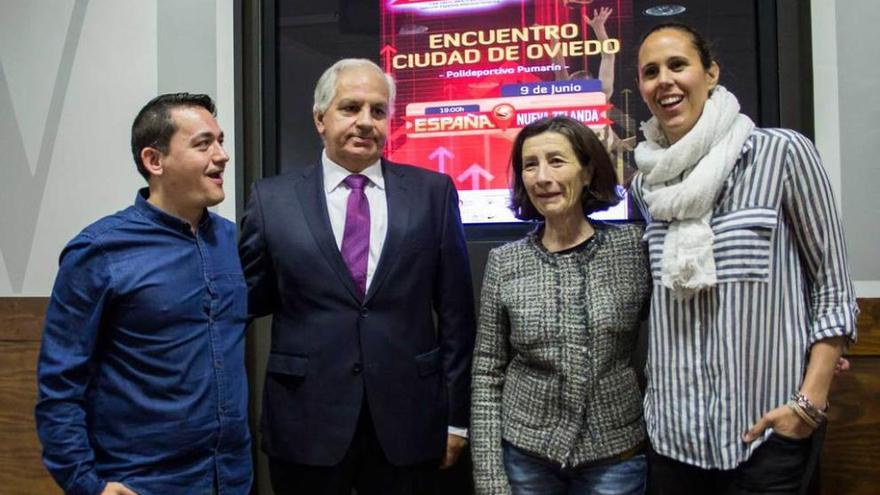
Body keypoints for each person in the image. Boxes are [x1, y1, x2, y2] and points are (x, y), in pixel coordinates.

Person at [631, 22, 859, 494]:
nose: (664, 81)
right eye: (650, 72)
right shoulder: (646, 184)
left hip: (768, 436)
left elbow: (833, 288)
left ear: (711, 73)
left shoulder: (782, 154)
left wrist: (808, 405)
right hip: (674, 439)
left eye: (678, 65)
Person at [238, 58, 476, 495]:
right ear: (319, 118)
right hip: (305, 421)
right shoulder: (272, 200)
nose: (366, 122)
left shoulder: (432, 194)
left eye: (378, 111)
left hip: (409, 422)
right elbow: (245, 304)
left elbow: (459, 319)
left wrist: (456, 418)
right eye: (350, 108)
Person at [35, 93, 252, 495]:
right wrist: (86, 484)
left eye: (220, 141)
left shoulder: (229, 240)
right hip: (144, 483)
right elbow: (59, 385)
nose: (222, 155)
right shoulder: (99, 251)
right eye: (204, 144)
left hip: (230, 478)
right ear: (155, 161)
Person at [471, 115, 651, 495]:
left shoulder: (633, 249)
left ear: (587, 172)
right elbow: (487, 373)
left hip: (615, 459)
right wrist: (490, 478)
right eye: (530, 165)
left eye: (557, 161)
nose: (541, 177)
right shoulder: (505, 262)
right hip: (525, 459)